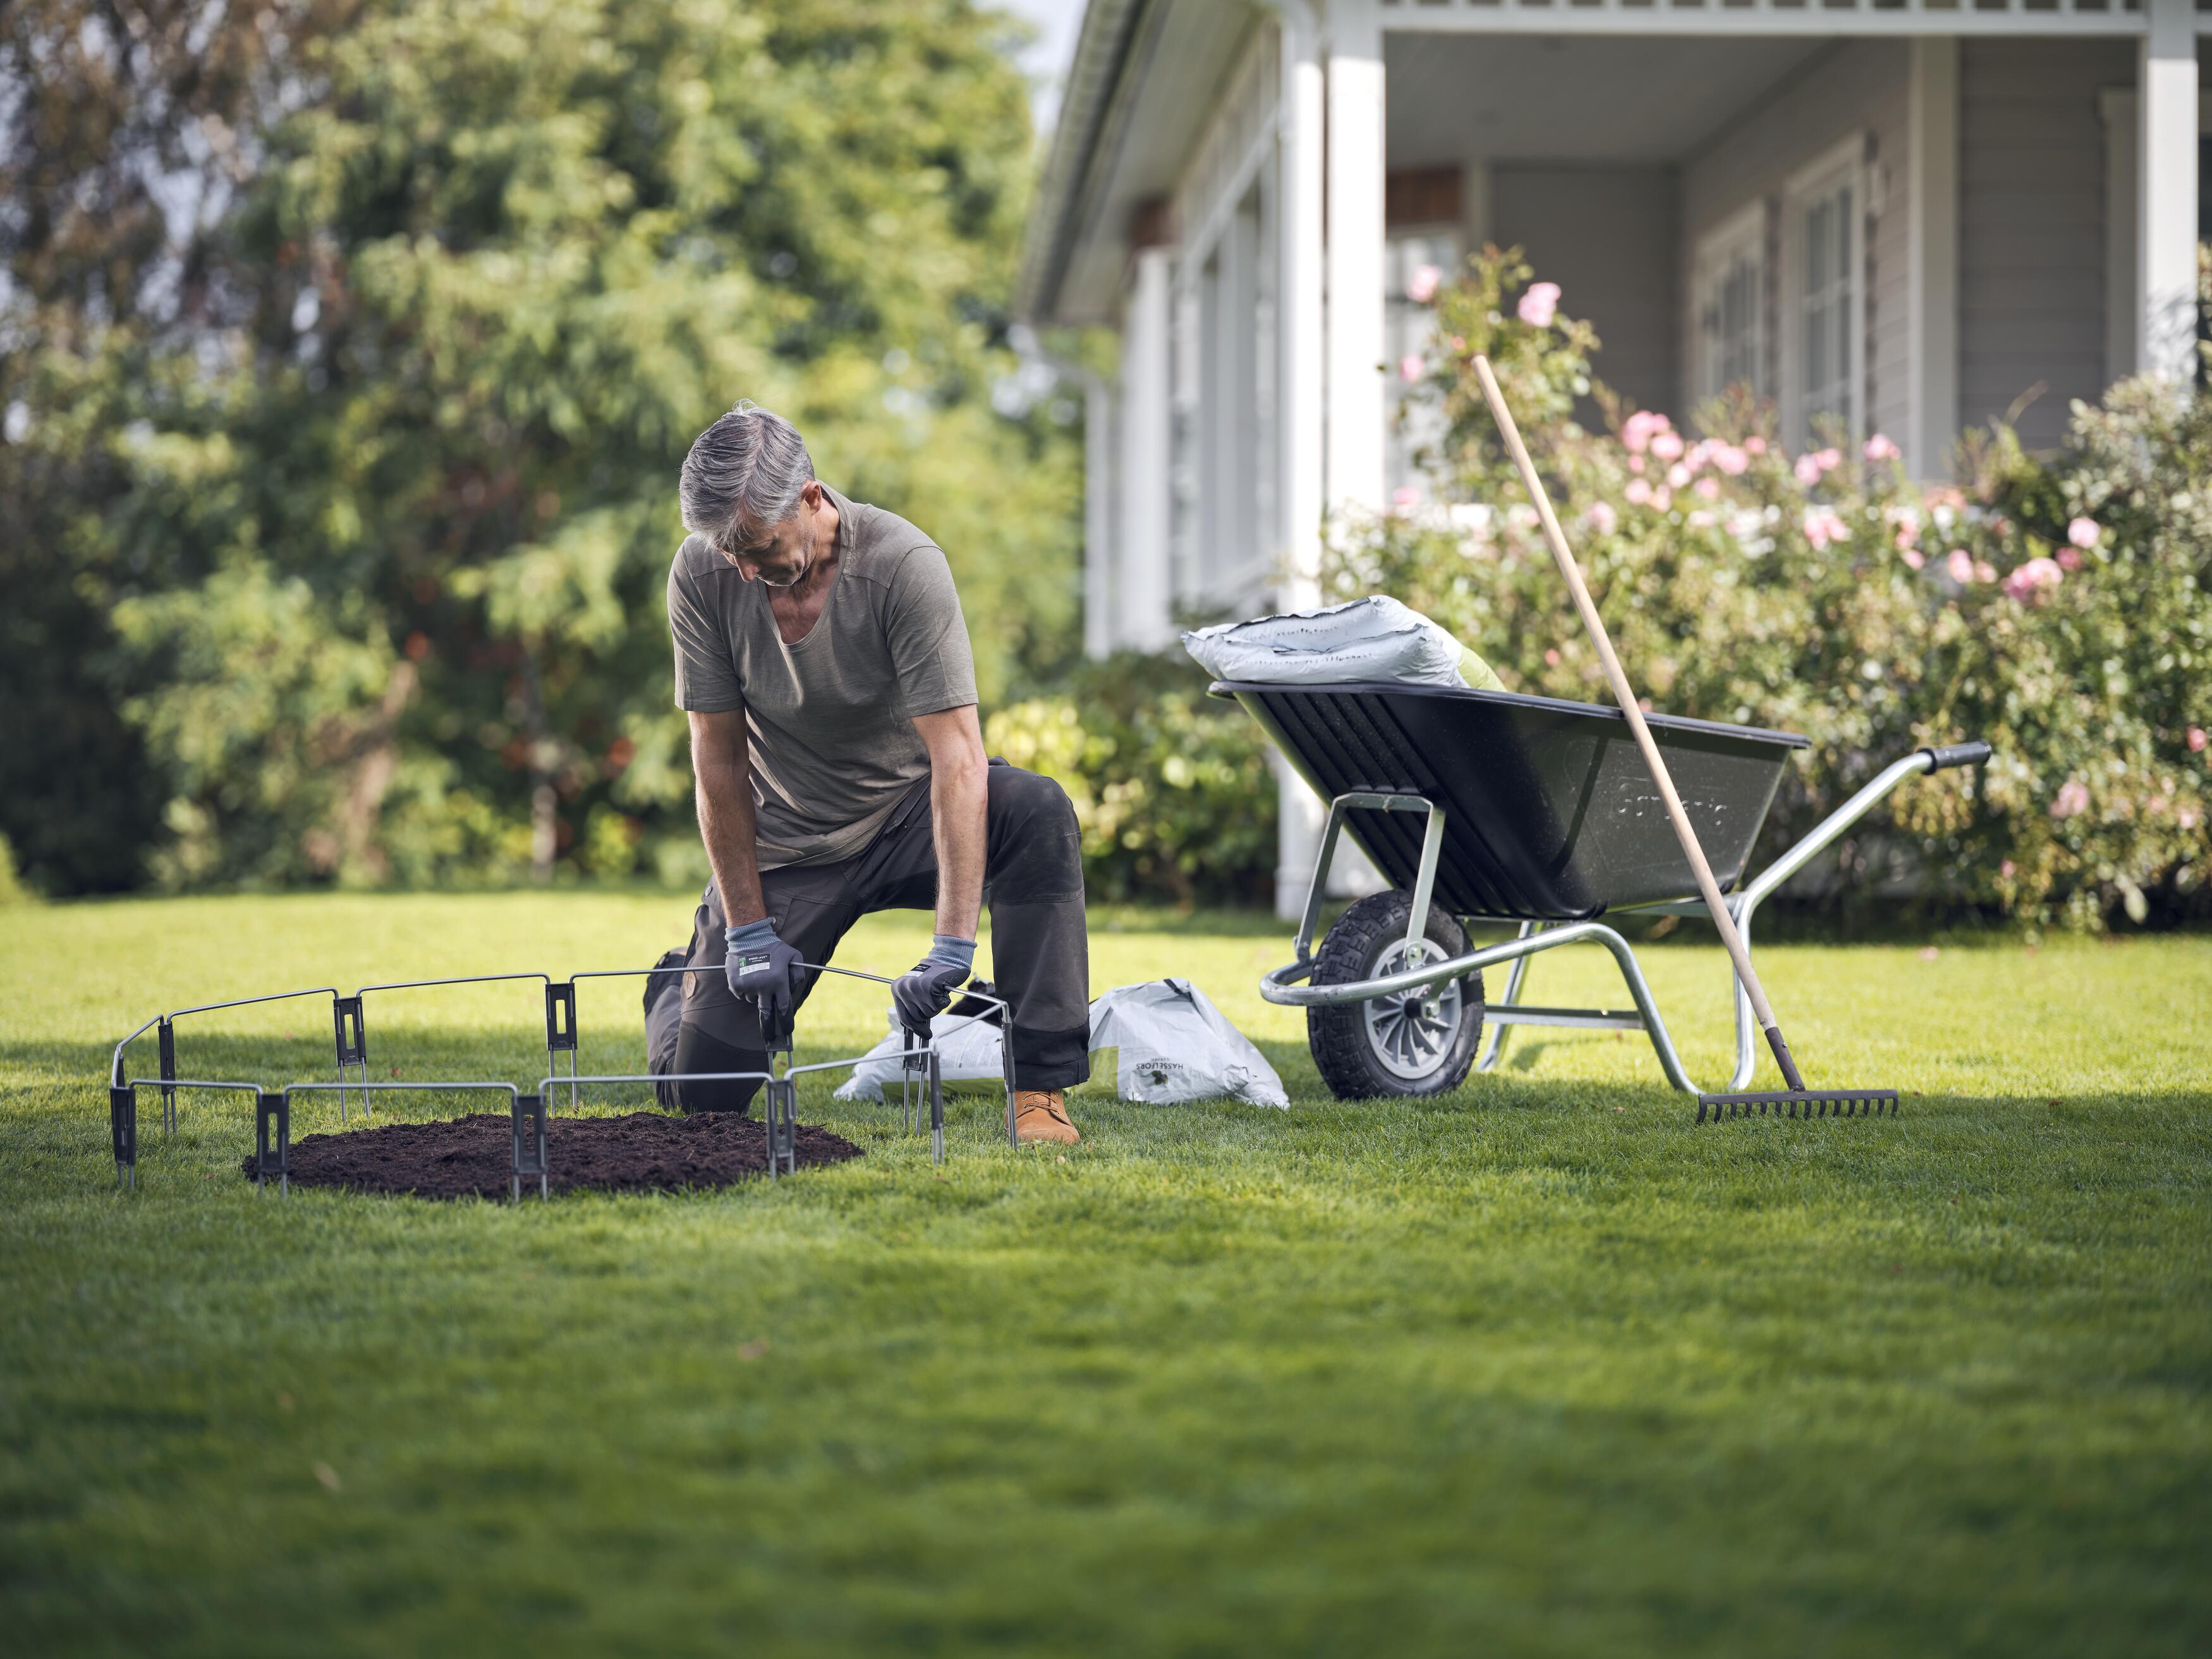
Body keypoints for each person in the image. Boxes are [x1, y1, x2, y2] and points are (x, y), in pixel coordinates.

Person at [652, 401, 1088, 1144]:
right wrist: (749, 932)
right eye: (729, 553)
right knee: (702, 1100)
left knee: (1035, 810)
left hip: (908, 815)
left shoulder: (900, 566)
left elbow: (957, 759)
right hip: (789, 843)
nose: (743, 570)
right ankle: (678, 980)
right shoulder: (703, 573)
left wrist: (951, 948)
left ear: (811, 499)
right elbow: (717, 759)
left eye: (757, 547)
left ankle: (1039, 1090)